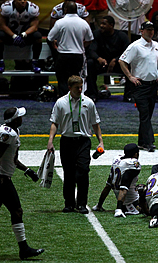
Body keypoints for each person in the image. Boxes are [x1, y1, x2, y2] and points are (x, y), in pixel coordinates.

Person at [0, 107, 44, 259]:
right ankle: (23, 249)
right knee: (16, 210)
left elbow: (13, 159)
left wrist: (27, 170)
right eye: (20, 117)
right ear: (14, 120)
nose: (22, 119)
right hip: (0, 178)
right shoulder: (8, 134)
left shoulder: (11, 131)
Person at [47, 75, 104, 214]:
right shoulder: (60, 103)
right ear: (69, 88)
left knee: (83, 172)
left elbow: (95, 123)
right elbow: (55, 122)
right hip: (66, 141)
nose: (80, 89)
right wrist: (50, 140)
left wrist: (100, 141)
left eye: (81, 87)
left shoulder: (88, 102)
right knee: (69, 173)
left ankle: (82, 203)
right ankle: (69, 203)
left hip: (83, 141)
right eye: (77, 87)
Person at [119, 21, 158, 152]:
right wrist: (130, 77)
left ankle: (142, 142)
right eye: (148, 30)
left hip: (152, 85)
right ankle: (150, 142)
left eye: (152, 29)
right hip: (140, 86)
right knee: (144, 114)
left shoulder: (156, 45)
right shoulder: (135, 46)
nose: (151, 32)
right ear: (141, 31)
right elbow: (122, 61)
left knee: (148, 115)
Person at [47, 1, 94, 96]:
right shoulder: (83, 23)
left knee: (63, 80)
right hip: (78, 55)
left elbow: (50, 38)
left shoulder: (60, 23)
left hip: (63, 55)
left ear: (65, 10)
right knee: (76, 80)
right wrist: (81, 45)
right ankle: (76, 99)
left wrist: (55, 46)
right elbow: (89, 39)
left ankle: (64, 101)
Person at [0, 0, 42, 73]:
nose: (23, 1)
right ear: (14, 0)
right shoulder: (7, 8)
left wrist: (24, 34)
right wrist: (14, 36)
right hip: (11, 35)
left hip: (25, 35)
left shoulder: (32, 9)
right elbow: (2, 25)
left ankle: (35, 62)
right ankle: (0, 62)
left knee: (37, 36)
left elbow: (34, 26)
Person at [92, 143, 142, 217]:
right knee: (143, 189)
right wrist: (119, 209)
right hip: (132, 204)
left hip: (123, 202)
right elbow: (124, 187)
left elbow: (108, 185)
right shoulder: (132, 164)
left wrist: (99, 205)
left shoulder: (117, 160)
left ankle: (99, 206)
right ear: (135, 154)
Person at [87, 16, 130, 101]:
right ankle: (93, 94)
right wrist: (98, 58)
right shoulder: (96, 34)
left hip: (118, 64)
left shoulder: (122, 36)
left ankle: (129, 95)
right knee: (90, 63)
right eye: (101, 23)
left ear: (111, 25)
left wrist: (116, 60)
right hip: (101, 64)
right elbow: (91, 50)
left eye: (104, 24)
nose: (101, 26)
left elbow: (128, 52)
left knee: (130, 65)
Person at [48, 0, 90, 71]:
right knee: (49, 40)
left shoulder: (81, 8)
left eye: (70, 1)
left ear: (75, 2)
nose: (67, 2)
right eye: (66, 0)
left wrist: (83, 41)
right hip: (61, 34)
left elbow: (87, 25)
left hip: (77, 33)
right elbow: (52, 26)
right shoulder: (57, 9)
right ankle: (55, 60)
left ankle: (84, 60)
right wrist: (55, 40)